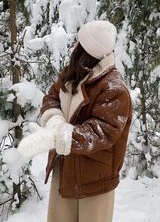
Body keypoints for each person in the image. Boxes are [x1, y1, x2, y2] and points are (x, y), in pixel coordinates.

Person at [18, 20, 132, 222]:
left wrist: (62, 137)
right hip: (66, 171)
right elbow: (52, 97)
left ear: (87, 50)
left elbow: (103, 131)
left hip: (95, 179)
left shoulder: (114, 87)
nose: (75, 47)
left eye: (80, 43)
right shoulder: (73, 74)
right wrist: (54, 122)